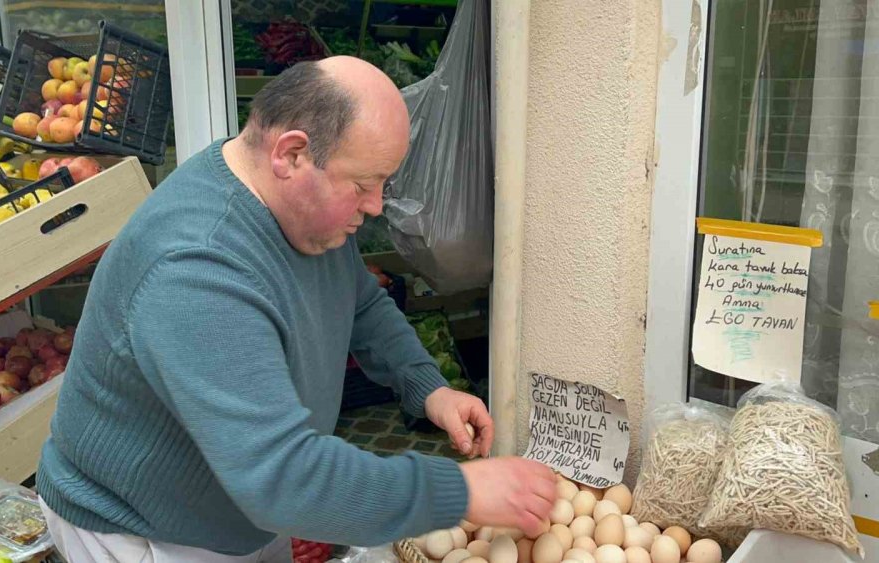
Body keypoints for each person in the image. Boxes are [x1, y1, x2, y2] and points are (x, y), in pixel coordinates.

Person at [36, 56, 555, 562]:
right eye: (363, 184)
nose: (374, 206)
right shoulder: (197, 268)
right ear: (291, 154)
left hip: (244, 505)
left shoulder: (303, 213)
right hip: (143, 531)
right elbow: (282, 477)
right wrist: (460, 490)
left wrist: (427, 386)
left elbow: (360, 301)